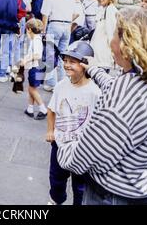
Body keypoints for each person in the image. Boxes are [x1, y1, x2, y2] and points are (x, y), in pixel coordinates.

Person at [57, 7, 147, 205]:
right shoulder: (145, 78)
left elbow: (82, 158)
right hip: (139, 182)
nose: (110, 41)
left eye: (114, 34)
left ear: (128, 45)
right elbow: (116, 87)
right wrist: (95, 69)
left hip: (113, 195)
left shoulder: (120, 101)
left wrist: (62, 143)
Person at [46, 42, 101, 205]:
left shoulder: (95, 92)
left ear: (85, 65)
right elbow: (51, 109)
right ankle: (56, 200)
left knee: (81, 186)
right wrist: (50, 131)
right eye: (66, 60)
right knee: (56, 178)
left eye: (72, 62)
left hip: (82, 149)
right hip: (60, 144)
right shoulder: (61, 86)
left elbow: (99, 122)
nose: (67, 65)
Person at [41, 0, 81, 92]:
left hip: (54, 25)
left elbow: (45, 16)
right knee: (63, 57)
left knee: (50, 55)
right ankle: (62, 83)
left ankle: (51, 84)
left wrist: (43, 32)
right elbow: (76, 13)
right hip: (67, 26)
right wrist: (67, 20)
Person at [20, 18, 47, 120]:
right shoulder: (37, 39)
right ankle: (30, 109)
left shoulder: (36, 40)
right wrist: (25, 59)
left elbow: (37, 55)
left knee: (32, 89)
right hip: (39, 67)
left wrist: (26, 61)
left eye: (26, 30)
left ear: (29, 29)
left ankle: (43, 109)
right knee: (32, 88)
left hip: (36, 68)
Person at [89, 0, 118, 71]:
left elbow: (111, 33)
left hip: (103, 55)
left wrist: (114, 53)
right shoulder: (103, 9)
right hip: (98, 53)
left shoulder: (110, 10)